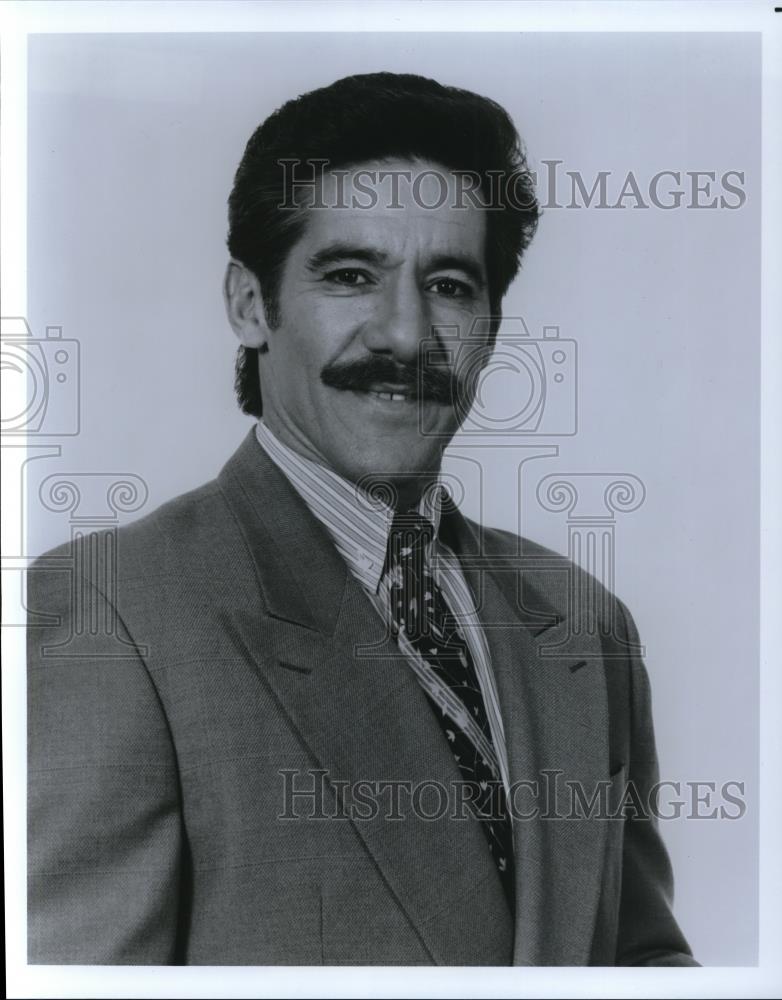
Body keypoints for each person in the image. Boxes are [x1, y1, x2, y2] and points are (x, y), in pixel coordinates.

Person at [27, 72, 697, 966]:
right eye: (351, 276)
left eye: (451, 285)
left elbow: (641, 960)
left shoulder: (585, 620)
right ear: (250, 305)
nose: (406, 335)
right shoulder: (115, 611)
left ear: (493, 325)